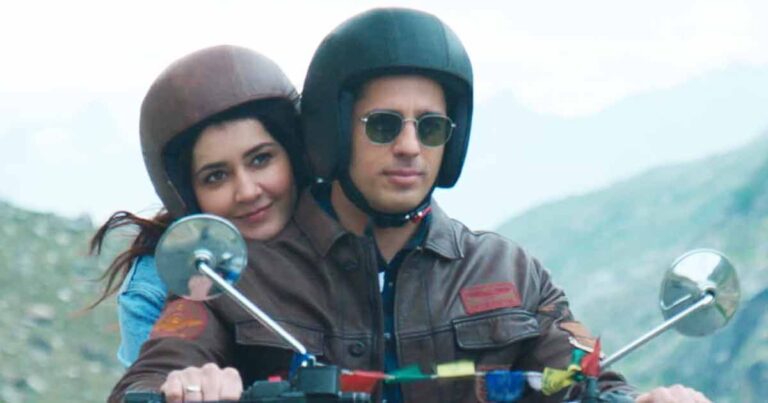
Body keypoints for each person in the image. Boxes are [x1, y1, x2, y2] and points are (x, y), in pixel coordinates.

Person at [110, 9, 711, 403]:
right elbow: (154, 368)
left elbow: (587, 374)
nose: (408, 146)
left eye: (430, 126)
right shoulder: (236, 278)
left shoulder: (510, 271)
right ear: (333, 131)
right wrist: (186, 383)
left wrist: (644, 399)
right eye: (382, 124)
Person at [90, 44, 307, 367]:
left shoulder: (349, 231)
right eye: (216, 176)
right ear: (186, 193)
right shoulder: (154, 285)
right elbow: (158, 377)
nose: (247, 191)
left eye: (261, 159)